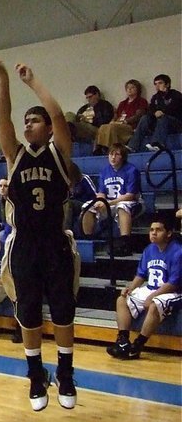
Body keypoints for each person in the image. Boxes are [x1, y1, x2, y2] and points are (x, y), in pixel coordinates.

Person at [0, 55, 80, 412]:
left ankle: (66, 374)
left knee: (64, 313)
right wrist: (4, 80)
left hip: (55, 243)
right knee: (28, 313)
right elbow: (3, 119)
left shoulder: (60, 154)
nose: (27, 124)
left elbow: (57, 114)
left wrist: (32, 81)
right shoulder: (15, 155)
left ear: (46, 128)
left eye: (33, 120)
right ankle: (36, 375)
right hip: (25, 245)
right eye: (26, 120)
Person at [107, 215, 181, 360]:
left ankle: (137, 346)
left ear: (169, 233)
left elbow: (173, 283)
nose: (153, 233)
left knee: (154, 304)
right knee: (122, 300)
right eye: (151, 229)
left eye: (158, 230)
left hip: (174, 291)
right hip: (152, 288)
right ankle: (123, 342)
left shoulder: (178, 252)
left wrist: (152, 296)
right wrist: (130, 288)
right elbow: (141, 274)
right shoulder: (149, 249)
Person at [80, 143, 141, 256]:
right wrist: (99, 201)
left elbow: (130, 195)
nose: (113, 157)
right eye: (111, 154)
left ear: (122, 156)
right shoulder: (104, 171)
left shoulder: (132, 170)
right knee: (88, 206)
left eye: (116, 154)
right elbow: (101, 193)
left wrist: (108, 203)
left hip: (132, 202)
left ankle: (125, 241)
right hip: (110, 203)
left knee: (122, 206)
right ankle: (88, 239)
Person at [128, 74, 182, 151]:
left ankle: (157, 144)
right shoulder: (155, 97)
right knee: (145, 118)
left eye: (160, 83)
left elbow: (175, 108)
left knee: (163, 118)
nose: (157, 86)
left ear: (167, 84)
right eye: (155, 84)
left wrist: (163, 112)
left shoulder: (175, 94)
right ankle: (132, 146)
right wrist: (155, 112)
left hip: (175, 123)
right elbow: (151, 109)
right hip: (160, 123)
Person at [94, 79, 148, 155]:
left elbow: (138, 115)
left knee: (112, 127)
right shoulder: (122, 103)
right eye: (128, 88)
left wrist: (126, 121)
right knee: (103, 126)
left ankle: (112, 149)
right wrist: (113, 120)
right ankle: (100, 148)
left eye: (132, 87)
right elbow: (116, 115)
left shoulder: (141, 101)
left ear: (137, 89)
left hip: (130, 126)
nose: (129, 89)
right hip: (119, 124)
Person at [66, 162, 97, 234]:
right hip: (73, 205)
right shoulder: (66, 182)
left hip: (86, 204)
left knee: (69, 203)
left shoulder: (84, 179)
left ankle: (67, 231)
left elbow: (94, 195)